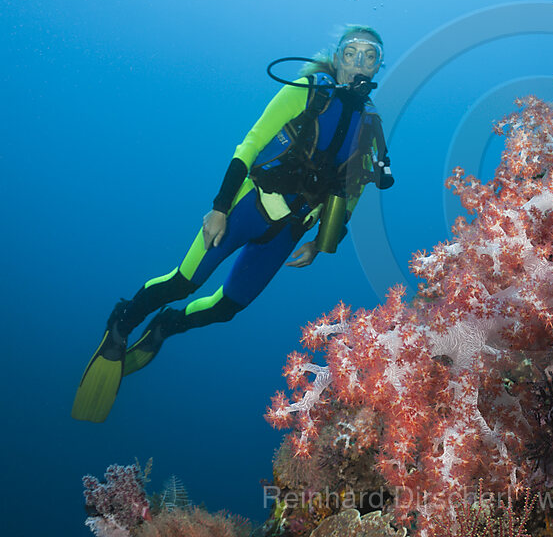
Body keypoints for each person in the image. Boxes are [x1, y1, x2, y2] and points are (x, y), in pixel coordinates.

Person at [72, 26, 394, 422]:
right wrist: (220, 207)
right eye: (351, 53)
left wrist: (323, 242)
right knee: (183, 282)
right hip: (247, 206)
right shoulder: (307, 90)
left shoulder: (371, 124)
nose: (359, 64)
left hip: (290, 229)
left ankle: (166, 326)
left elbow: (354, 190)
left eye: (370, 56)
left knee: (228, 307)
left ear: (380, 63)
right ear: (337, 55)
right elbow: (251, 144)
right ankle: (121, 323)